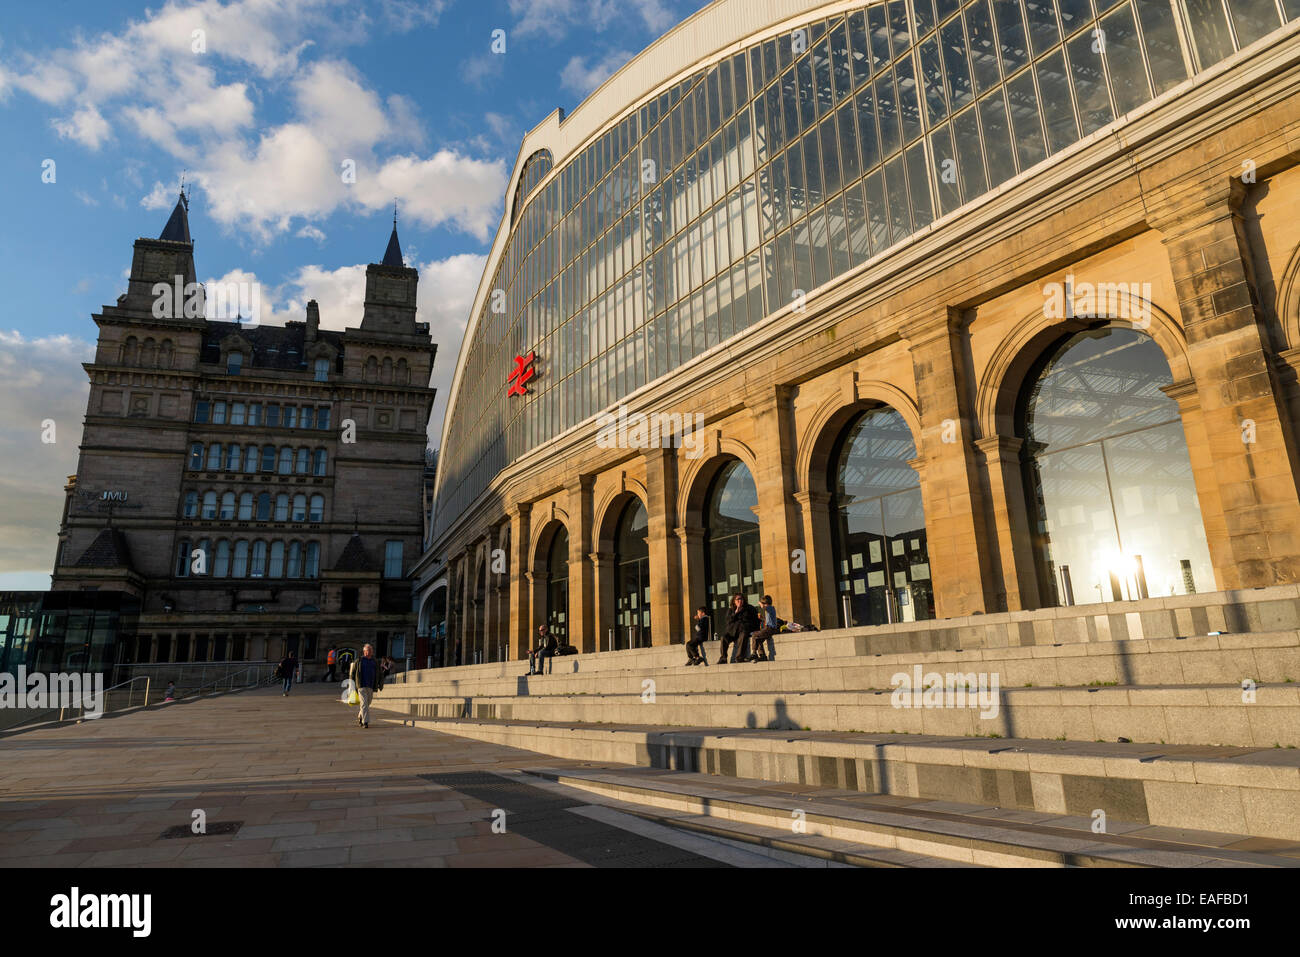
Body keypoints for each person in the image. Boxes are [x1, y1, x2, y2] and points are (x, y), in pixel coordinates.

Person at [349, 643, 385, 728]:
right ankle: (365, 722)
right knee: (364, 703)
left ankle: (360, 716)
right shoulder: (359, 660)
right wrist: (351, 685)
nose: (370, 652)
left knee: (367, 703)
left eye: (371, 650)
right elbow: (352, 673)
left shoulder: (375, 661)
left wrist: (381, 684)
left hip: (371, 686)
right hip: (361, 685)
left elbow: (380, 674)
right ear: (364, 651)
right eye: (369, 650)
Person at [720, 594, 758, 664]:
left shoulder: (749, 608)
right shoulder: (731, 610)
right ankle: (723, 658)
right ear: (734, 601)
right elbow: (728, 621)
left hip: (743, 630)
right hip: (732, 631)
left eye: (741, 599)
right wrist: (735, 613)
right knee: (723, 637)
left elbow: (755, 620)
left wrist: (754, 630)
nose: (740, 601)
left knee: (743, 636)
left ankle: (739, 657)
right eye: (738, 599)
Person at [750, 595, 779, 662]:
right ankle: (762, 656)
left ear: (765, 603)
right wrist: (762, 618)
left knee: (754, 634)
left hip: (770, 629)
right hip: (769, 628)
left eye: (763, 604)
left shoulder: (770, 608)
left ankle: (754, 653)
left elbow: (764, 607)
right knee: (759, 640)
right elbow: (769, 620)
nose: (762, 607)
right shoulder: (770, 610)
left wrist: (760, 603)